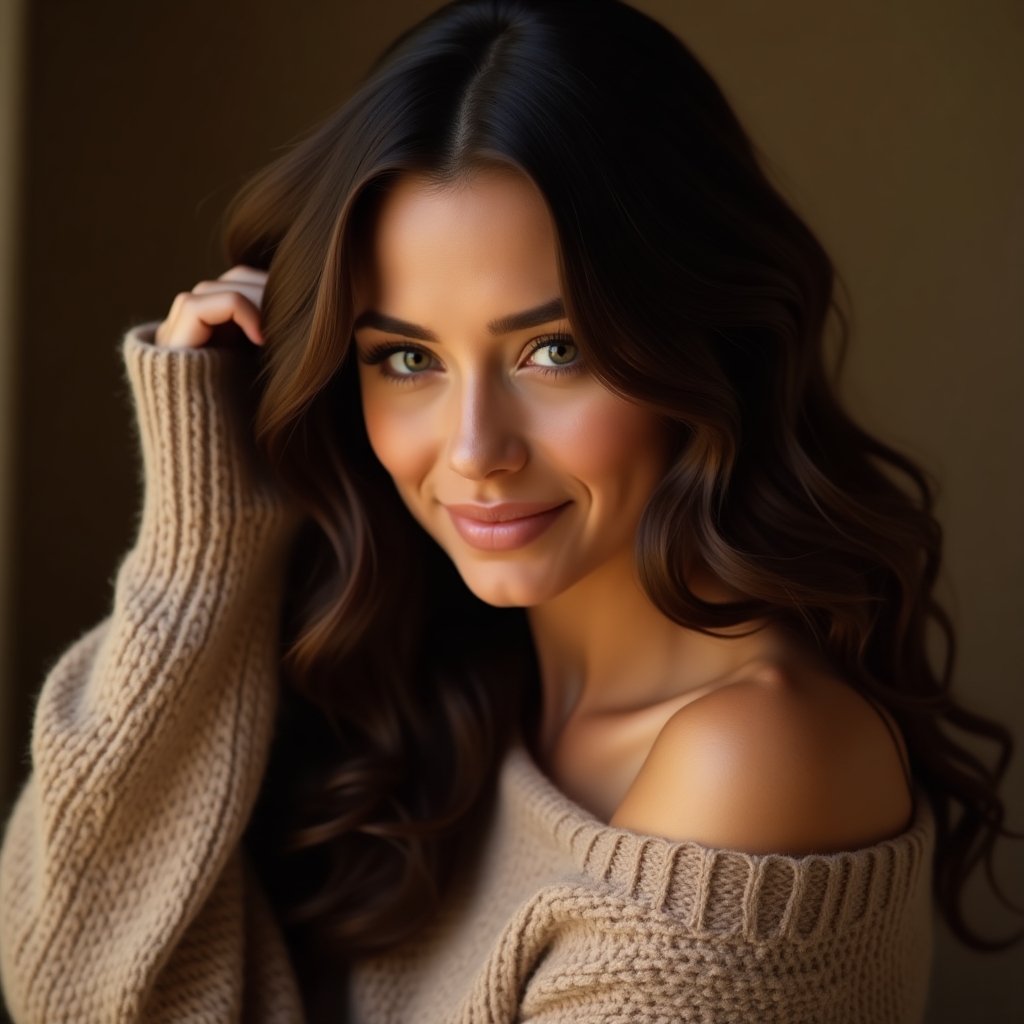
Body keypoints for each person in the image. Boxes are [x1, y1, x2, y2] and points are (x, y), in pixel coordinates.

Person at [1, 1, 1020, 1021]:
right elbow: (76, 977)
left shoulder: (757, 758)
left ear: (705, 339)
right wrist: (206, 534)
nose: (474, 451)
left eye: (553, 350)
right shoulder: (437, 684)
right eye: (408, 358)